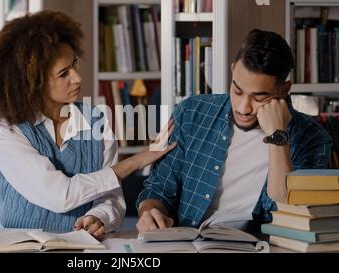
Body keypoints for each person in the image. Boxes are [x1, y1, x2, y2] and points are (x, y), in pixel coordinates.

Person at [0, 10, 176, 239]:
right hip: (17, 245)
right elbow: (60, 195)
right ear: (32, 83)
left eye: (74, 63)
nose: (77, 78)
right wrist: (135, 162)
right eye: (64, 74)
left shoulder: (96, 119)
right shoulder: (2, 124)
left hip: (79, 246)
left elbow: (112, 199)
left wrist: (99, 216)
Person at [136, 29, 333, 232]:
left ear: (284, 89)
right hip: (189, 245)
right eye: (237, 90)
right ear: (232, 71)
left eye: (259, 97)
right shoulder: (191, 112)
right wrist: (149, 212)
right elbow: (159, 188)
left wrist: (278, 138)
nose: (243, 107)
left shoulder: (314, 139)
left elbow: (289, 216)